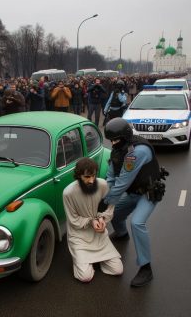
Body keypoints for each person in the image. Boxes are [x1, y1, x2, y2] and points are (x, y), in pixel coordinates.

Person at [103, 117, 168, 287]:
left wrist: (106, 202)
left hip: (148, 194)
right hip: (133, 193)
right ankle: (122, 234)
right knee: (116, 214)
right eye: (111, 140)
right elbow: (111, 176)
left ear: (125, 137)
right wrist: (105, 196)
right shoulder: (118, 149)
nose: (113, 143)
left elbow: (123, 181)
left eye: (115, 139)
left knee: (137, 223)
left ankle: (146, 268)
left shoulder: (136, 152)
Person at [63, 157, 123, 283]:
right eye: (87, 177)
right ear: (78, 176)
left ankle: (92, 260)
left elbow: (110, 206)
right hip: (79, 237)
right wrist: (91, 221)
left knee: (118, 270)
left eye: (93, 176)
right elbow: (73, 219)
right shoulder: (68, 193)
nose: (91, 180)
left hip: (99, 234)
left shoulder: (103, 185)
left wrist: (102, 219)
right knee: (85, 277)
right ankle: (82, 260)